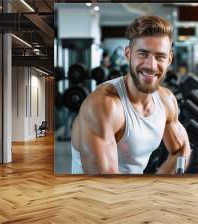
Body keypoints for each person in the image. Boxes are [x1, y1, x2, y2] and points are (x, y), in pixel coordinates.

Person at [71, 15, 191, 174]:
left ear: (169, 59)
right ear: (128, 54)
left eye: (160, 56)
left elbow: (181, 151)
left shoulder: (166, 100)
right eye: (143, 54)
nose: (151, 65)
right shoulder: (104, 106)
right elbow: (105, 185)